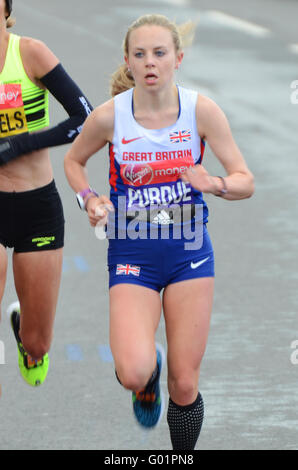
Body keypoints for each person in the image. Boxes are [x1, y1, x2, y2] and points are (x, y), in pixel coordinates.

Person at [64, 14, 254, 450]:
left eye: (160, 53)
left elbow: (246, 179)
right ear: (128, 63)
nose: (151, 62)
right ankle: (147, 380)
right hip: (133, 255)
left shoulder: (200, 111)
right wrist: (90, 200)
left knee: (185, 384)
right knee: (132, 370)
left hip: (190, 253)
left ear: (178, 59)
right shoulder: (111, 117)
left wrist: (216, 185)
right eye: (140, 54)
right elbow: (73, 162)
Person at [0, 0, 93, 387]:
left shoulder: (30, 54)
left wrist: (22, 145)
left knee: (39, 344)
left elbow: (85, 118)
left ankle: (27, 338)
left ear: (5, 7)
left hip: (36, 205)